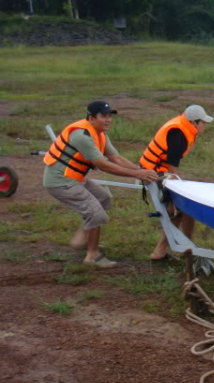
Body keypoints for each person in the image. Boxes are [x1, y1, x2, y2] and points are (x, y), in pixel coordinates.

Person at [43, 101, 159, 268]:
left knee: (103, 198)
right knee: (96, 214)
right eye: (103, 116)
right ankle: (92, 256)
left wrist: (142, 172)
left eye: (109, 116)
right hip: (60, 182)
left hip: (75, 178)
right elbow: (103, 164)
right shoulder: (81, 136)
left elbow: (116, 159)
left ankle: (84, 240)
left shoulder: (100, 135)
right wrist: (137, 174)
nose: (108, 120)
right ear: (91, 118)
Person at [139, 104, 214, 261]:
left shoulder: (182, 127)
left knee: (187, 206)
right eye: (203, 123)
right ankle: (161, 251)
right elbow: (171, 171)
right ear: (194, 122)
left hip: (158, 170)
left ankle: (188, 247)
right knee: (180, 207)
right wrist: (171, 197)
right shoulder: (179, 134)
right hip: (153, 173)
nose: (205, 126)